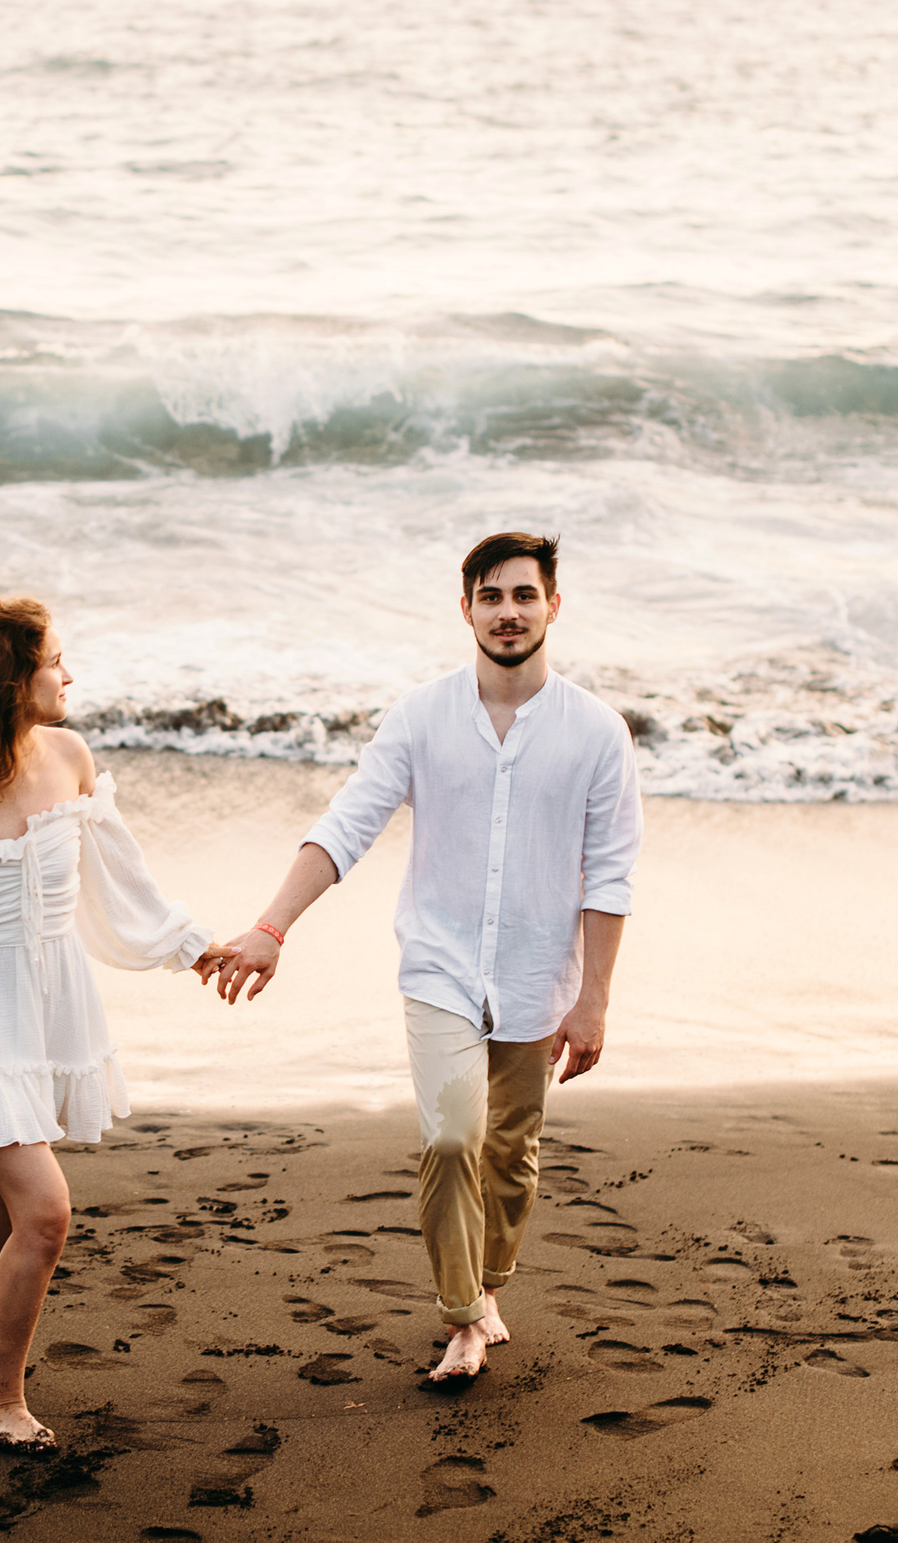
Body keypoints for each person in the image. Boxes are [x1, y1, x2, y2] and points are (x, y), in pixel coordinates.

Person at [209, 532, 643, 1387]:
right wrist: (272, 926)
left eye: (524, 594)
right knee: (452, 1138)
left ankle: (486, 1284)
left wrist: (593, 1000)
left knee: (511, 1156)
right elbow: (346, 825)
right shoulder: (421, 715)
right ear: (467, 608)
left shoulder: (597, 732)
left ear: (553, 605)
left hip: (536, 975)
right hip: (440, 966)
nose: (508, 611)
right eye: (491, 595)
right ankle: (463, 1318)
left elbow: (613, 873)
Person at [0, 595, 227, 1455]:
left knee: (17, 1177)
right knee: (48, 1212)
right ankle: (3, 1400)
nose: (69, 674)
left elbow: (117, 876)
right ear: (7, 677)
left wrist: (191, 946)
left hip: (52, 1006)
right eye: (55, 659)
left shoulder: (70, 756)